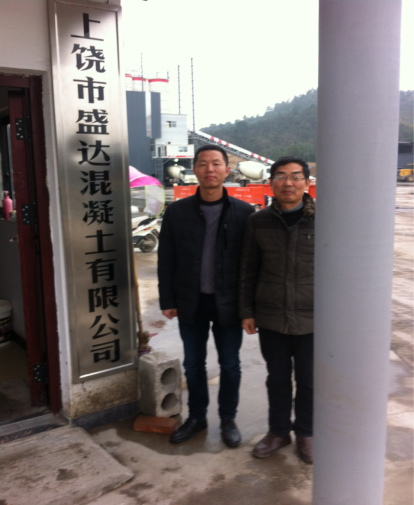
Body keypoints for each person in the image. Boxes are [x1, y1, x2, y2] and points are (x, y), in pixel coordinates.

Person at [158, 145, 254, 446]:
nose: (209, 169)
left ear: (227, 170)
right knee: (193, 365)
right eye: (202, 164)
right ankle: (197, 418)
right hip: (191, 301)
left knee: (230, 365)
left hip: (229, 304)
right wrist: (167, 300)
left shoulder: (244, 213)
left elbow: (250, 265)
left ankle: (228, 419)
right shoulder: (177, 212)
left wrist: (249, 308)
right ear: (195, 170)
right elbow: (166, 259)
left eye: (216, 163)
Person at [239, 156, 315, 464]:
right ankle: (279, 431)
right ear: (271, 183)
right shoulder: (258, 221)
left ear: (306, 183)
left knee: (310, 380)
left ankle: (307, 432)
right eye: (281, 176)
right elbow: (248, 269)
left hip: (313, 318)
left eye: (296, 176)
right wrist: (247, 311)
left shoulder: (326, 219)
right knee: (278, 378)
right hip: (271, 316)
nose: (288, 182)